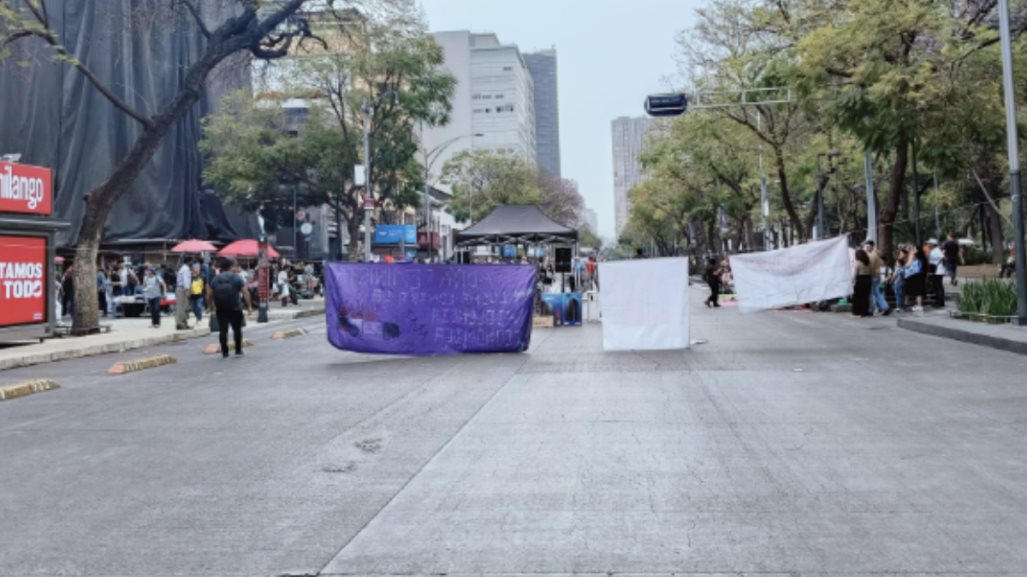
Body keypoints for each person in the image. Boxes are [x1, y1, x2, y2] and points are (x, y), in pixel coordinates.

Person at [208, 257, 252, 358]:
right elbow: (245, 292)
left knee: (223, 330)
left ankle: (225, 352)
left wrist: (210, 306)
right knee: (237, 329)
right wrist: (249, 306)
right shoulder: (237, 278)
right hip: (235, 308)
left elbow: (209, 294)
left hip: (221, 308)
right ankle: (238, 350)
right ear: (231, 267)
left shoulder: (216, 279)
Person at [863, 240, 890, 316]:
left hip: (873, 276)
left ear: (872, 246)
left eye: (868, 246)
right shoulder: (876, 254)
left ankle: (871, 309)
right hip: (877, 275)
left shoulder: (872, 255)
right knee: (877, 293)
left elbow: (870, 267)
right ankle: (885, 307)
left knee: (871, 294)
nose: (867, 248)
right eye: (866, 247)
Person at [904, 243, 928, 316]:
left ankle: (911, 305)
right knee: (919, 292)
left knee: (913, 291)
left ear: (917, 250)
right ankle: (919, 305)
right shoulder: (923, 258)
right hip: (920, 275)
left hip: (913, 275)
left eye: (914, 248)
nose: (912, 250)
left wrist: (905, 265)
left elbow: (908, 265)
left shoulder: (914, 256)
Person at [852, 249, 873, 317]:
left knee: (857, 297)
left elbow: (855, 274)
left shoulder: (857, 262)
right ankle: (865, 311)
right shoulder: (868, 262)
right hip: (868, 279)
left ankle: (857, 311)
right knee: (865, 297)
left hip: (860, 280)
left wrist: (852, 281)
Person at [888, 246, 909, 313]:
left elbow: (895, 275)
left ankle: (898, 306)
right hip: (903, 281)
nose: (900, 255)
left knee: (898, 295)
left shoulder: (899, 266)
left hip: (898, 282)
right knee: (901, 294)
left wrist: (891, 280)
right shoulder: (903, 266)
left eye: (901, 253)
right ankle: (902, 306)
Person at [925, 239, 945, 308]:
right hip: (936, 271)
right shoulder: (934, 250)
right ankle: (938, 301)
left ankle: (940, 302)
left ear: (933, 244)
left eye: (929, 244)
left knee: (938, 287)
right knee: (937, 287)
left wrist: (936, 263)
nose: (928, 245)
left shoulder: (936, 250)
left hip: (938, 272)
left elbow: (942, 257)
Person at [175, 257, 193, 330]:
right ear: (189, 262)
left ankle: (184, 323)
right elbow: (186, 280)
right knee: (181, 307)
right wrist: (187, 290)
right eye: (191, 262)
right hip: (182, 289)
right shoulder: (186, 269)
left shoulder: (184, 268)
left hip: (182, 289)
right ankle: (180, 324)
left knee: (185, 307)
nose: (192, 263)